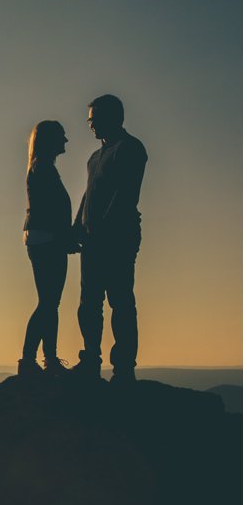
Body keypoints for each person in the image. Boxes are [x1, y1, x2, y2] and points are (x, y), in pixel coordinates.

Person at [72, 94, 148, 383]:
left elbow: (126, 194)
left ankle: (123, 368)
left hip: (118, 237)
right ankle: (91, 359)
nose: (90, 125)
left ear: (113, 117)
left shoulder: (130, 148)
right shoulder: (95, 157)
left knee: (120, 300)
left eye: (94, 119)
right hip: (92, 239)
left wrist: (101, 229)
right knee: (89, 302)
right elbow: (89, 192)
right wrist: (77, 226)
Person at [19, 120, 77, 377]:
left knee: (49, 302)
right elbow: (52, 210)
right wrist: (65, 237)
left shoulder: (41, 167)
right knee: (48, 302)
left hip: (43, 237)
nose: (66, 141)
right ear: (50, 140)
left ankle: (45, 360)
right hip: (47, 239)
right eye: (62, 136)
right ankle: (34, 360)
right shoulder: (43, 169)